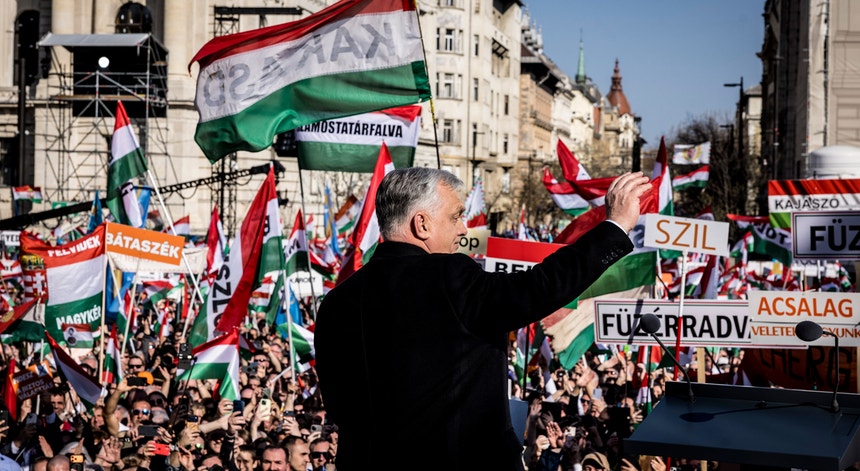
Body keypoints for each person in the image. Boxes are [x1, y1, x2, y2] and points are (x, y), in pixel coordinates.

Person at [315, 167, 650, 470]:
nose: (463, 230)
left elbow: (338, 405)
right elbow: (537, 289)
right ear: (422, 224)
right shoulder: (449, 276)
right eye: (456, 217)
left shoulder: (336, 302)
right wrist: (614, 227)